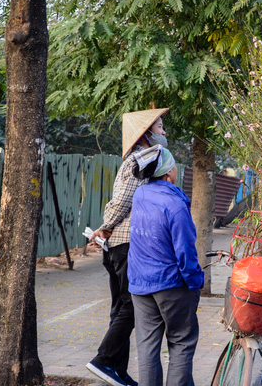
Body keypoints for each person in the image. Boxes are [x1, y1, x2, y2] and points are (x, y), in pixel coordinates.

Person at [87, 108, 170, 386]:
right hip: (125, 243)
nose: (164, 132)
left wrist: (105, 229)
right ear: (146, 133)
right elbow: (124, 200)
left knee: (120, 307)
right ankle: (103, 360)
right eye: (160, 127)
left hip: (117, 244)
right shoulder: (142, 157)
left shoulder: (140, 158)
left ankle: (116, 370)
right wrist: (106, 225)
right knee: (133, 306)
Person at [129, 145, 204, 386]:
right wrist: (195, 283)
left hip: (140, 284)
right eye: (173, 164)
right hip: (170, 284)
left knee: (147, 346)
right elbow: (186, 253)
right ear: (168, 173)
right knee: (181, 342)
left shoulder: (140, 195)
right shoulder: (175, 205)